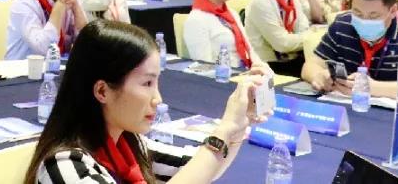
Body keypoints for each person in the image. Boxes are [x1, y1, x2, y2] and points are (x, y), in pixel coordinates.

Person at [28, 20, 264, 184]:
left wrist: (239, 124)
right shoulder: (65, 166)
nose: (157, 99)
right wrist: (223, 131)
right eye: (147, 83)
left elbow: (202, 168)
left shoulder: (128, 144)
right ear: (102, 91)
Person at [184, 0, 267, 70]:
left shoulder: (231, 13)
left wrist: (262, 69)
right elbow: (204, 68)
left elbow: (250, 50)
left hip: (247, 73)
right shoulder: (197, 20)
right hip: (225, 77)